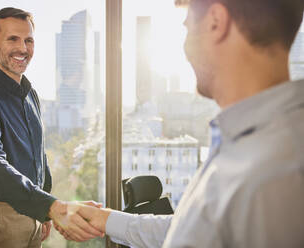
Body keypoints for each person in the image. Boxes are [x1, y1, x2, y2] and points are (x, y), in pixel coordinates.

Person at [55, 0, 304, 247]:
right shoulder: (253, 141)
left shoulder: (277, 174)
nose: (185, 48)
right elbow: (193, 231)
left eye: (187, 28)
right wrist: (106, 220)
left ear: (216, 23)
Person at [0, 7, 102, 247]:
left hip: (33, 208)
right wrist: (48, 206)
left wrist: (43, 208)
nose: (23, 49)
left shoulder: (31, 95)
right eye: (12, 39)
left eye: (28, 40)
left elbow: (39, 154)